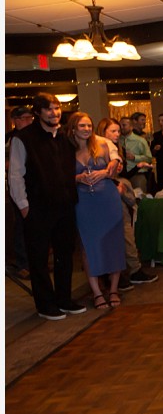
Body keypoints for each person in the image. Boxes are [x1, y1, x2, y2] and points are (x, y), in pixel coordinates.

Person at [7, 94, 88, 320]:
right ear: (38, 112)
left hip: (65, 206)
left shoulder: (64, 137)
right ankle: (45, 305)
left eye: (57, 108)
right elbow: (15, 176)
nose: (55, 113)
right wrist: (24, 207)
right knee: (39, 258)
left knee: (64, 255)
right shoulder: (23, 139)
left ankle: (64, 299)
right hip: (37, 208)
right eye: (49, 109)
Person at [68, 112, 126, 309]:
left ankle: (114, 289)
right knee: (88, 245)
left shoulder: (102, 143)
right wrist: (78, 178)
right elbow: (60, 176)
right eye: (82, 126)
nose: (86, 129)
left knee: (113, 242)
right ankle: (97, 292)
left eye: (89, 126)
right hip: (83, 202)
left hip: (107, 199)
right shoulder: (67, 149)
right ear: (73, 129)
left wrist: (107, 170)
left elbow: (116, 164)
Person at [96, 118, 158, 288]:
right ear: (103, 131)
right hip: (106, 196)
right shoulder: (98, 149)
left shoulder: (117, 148)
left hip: (118, 193)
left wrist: (137, 167)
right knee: (117, 235)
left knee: (126, 233)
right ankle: (118, 274)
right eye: (113, 131)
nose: (117, 134)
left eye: (118, 130)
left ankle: (127, 271)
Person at [6, 106, 34, 279]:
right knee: (21, 224)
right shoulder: (10, 139)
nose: (29, 121)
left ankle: (33, 261)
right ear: (15, 120)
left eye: (30, 117)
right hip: (17, 187)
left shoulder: (34, 137)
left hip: (34, 185)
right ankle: (23, 262)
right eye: (24, 118)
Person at [119, 115, 153, 194]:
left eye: (124, 125)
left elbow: (149, 158)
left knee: (140, 197)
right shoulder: (118, 140)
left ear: (131, 127)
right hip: (122, 175)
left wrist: (135, 157)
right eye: (120, 125)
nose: (121, 127)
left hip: (137, 174)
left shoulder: (140, 141)